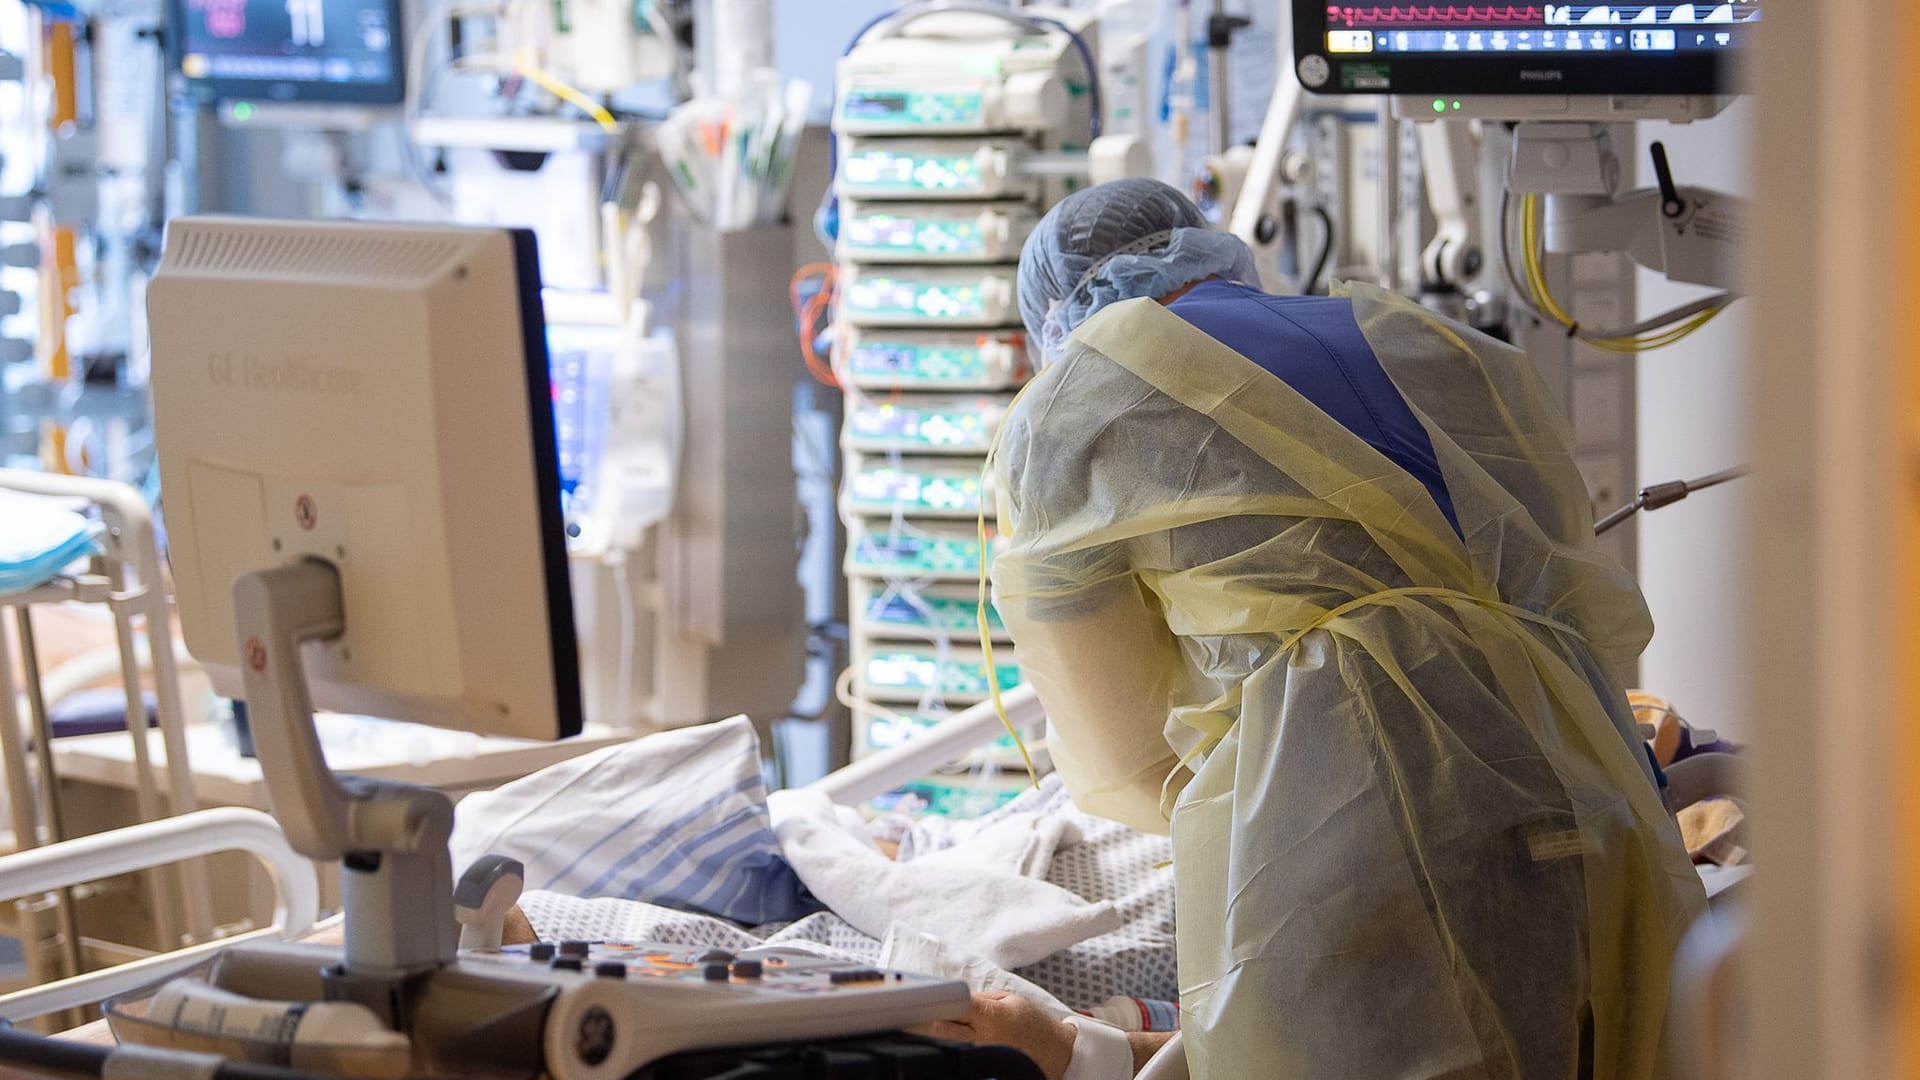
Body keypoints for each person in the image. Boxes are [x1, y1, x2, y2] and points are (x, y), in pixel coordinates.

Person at [959, 179, 1708, 1079]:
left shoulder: (1069, 415)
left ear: (1057, 316)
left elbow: (1126, 757)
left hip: (1347, 832)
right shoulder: (1454, 352)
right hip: (1589, 803)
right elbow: (1591, 621)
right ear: (1207, 246)